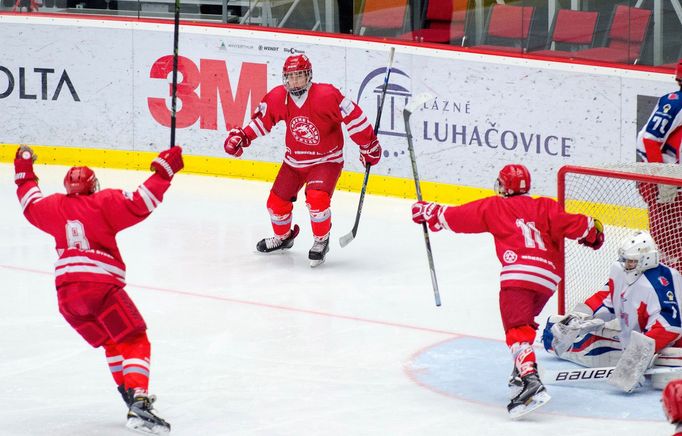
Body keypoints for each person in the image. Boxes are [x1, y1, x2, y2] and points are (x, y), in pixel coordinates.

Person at [410, 163, 605, 418]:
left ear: (504, 186)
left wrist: (430, 212)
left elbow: (458, 217)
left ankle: (530, 381)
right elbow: (586, 225)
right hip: (547, 279)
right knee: (524, 323)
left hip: (518, 274)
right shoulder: (545, 206)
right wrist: (594, 236)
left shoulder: (495, 206)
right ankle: (520, 370)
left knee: (517, 330)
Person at [14, 144, 184, 435]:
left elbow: (30, 203)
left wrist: (24, 170)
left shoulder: (54, 206)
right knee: (134, 339)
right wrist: (165, 171)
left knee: (112, 343)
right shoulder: (102, 202)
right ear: (93, 187)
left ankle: (129, 395)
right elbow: (141, 201)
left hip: (67, 297)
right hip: (99, 288)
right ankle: (140, 402)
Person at [223, 54, 382, 267]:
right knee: (275, 204)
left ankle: (320, 241)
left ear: (309, 75)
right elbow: (262, 121)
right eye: (291, 76)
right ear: (284, 78)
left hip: (326, 160)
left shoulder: (326, 95)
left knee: (316, 199)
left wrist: (368, 144)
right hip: (294, 162)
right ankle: (284, 237)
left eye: (299, 75)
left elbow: (355, 118)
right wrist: (243, 136)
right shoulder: (278, 97)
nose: (295, 81)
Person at [543, 230, 682, 393]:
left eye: (630, 261)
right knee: (552, 334)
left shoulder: (663, 281)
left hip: (670, 342)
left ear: (647, 259)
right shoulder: (621, 270)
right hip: (635, 340)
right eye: (624, 260)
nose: (625, 264)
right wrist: (577, 318)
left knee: (670, 364)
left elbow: (671, 326)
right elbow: (608, 299)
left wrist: (635, 358)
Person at [635, 59, 682, 270]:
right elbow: (650, 139)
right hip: (662, 182)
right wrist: (661, 178)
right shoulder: (675, 102)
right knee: (669, 244)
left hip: (673, 180)